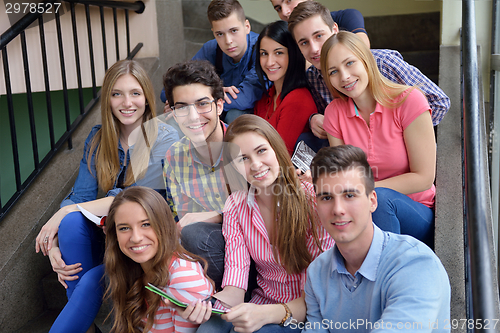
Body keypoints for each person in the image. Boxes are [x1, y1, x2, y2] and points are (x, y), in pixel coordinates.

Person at [35, 60, 179, 333]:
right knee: (70, 224)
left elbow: (133, 198)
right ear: (108, 100)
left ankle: (84, 324)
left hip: (144, 241)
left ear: (147, 99)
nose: (127, 102)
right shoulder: (99, 139)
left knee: (88, 275)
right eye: (117, 94)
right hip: (109, 237)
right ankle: (87, 327)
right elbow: (79, 195)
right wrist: (53, 243)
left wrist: (63, 211)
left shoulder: (164, 138)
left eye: (135, 93)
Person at [197, 114, 334, 332]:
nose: (256, 165)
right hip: (261, 304)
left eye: (261, 151)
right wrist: (204, 305)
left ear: (276, 149)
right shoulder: (236, 205)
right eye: (243, 159)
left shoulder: (314, 201)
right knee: (208, 327)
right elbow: (235, 285)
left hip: (306, 312)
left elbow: (323, 293)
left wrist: (265, 315)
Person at [303, 145, 450, 332]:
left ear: (372, 201)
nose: (338, 209)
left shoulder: (415, 263)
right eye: (326, 198)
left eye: (349, 195)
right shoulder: (317, 273)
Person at [321, 31, 436, 247]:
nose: (344, 76)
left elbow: (424, 178)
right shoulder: (334, 113)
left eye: (350, 63)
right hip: (364, 209)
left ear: (366, 60)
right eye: (334, 71)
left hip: (415, 211)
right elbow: (344, 175)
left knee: (381, 200)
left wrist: (365, 190)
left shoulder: (409, 101)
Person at [288, 1, 450, 152]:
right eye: (304, 43)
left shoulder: (383, 62)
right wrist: (312, 119)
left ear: (335, 30)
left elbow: (439, 102)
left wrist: (403, 135)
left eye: (319, 36)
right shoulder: (312, 77)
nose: (314, 49)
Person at [162, 60, 247, 291]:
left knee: (194, 231)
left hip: (256, 250)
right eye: (182, 107)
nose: (192, 116)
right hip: (209, 253)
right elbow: (178, 214)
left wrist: (216, 215)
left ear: (219, 105)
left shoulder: (244, 147)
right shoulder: (174, 157)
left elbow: (264, 209)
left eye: (202, 104)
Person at [104, 186, 214, 333]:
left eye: (146, 224)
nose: (136, 238)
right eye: (124, 228)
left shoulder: (182, 277)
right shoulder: (128, 269)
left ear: (164, 225)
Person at [161, 0, 264, 124]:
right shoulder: (212, 49)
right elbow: (168, 91)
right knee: (174, 117)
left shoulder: (262, 49)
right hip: (217, 107)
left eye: (234, 31)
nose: (228, 41)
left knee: (235, 115)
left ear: (247, 26)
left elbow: (244, 98)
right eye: (220, 34)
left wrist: (199, 103)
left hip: (256, 112)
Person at [253, 20, 316, 155]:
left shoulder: (298, 99)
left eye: (279, 53)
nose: (269, 62)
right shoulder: (266, 96)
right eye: (264, 53)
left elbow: (279, 156)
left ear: (293, 54)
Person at [268, 0, 370, 47]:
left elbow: (362, 48)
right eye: (278, 8)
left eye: (288, 0)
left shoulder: (346, 16)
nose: (285, 12)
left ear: (335, 29)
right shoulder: (285, 36)